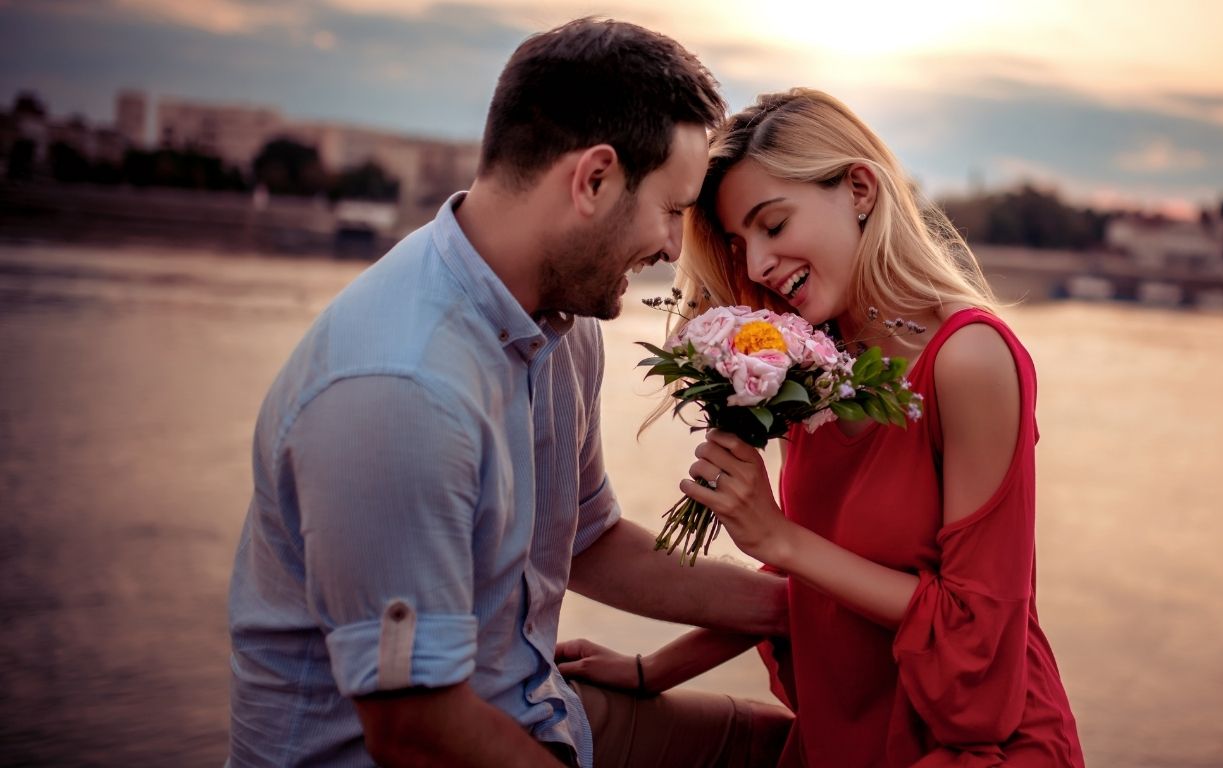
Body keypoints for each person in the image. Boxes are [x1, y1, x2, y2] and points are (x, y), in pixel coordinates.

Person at [226, 19, 792, 768]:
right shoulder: (400, 392)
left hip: (537, 709)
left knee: (801, 752)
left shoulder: (564, 318)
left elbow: (585, 541)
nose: (669, 246)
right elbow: (415, 730)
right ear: (593, 180)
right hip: (410, 747)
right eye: (671, 209)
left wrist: (800, 607)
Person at [558, 88, 1085, 767]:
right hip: (844, 739)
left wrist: (778, 534)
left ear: (860, 188)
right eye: (739, 242)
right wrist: (649, 671)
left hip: (975, 748)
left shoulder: (971, 360)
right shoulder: (815, 362)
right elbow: (806, 592)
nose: (755, 268)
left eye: (772, 225)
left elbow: (975, 628)